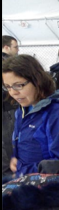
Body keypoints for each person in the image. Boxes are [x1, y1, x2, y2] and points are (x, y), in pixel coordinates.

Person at [2, 54, 59, 177]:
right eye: (8, 87)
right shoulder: (21, 110)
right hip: (26, 177)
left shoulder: (56, 113)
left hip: (45, 184)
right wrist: (16, 158)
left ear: (37, 81)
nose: (13, 93)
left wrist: (24, 170)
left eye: (18, 85)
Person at [2, 36, 19, 178]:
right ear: (6, 47)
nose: (17, 50)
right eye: (15, 47)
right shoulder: (6, 64)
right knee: (9, 139)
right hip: (7, 108)